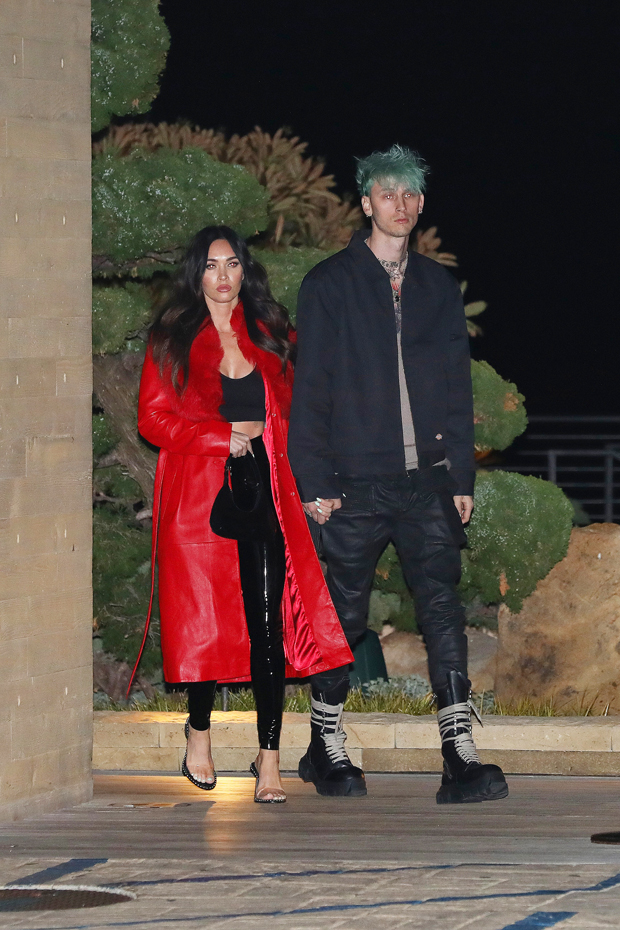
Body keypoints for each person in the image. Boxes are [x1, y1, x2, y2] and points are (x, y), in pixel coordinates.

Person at [288, 145, 508, 804]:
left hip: (427, 479)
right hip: (353, 480)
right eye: (388, 194)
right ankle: (325, 743)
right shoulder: (329, 283)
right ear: (366, 203)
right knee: (345, 614)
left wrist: (461, 475)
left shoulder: (437, 286)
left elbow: (455, 386)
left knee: (442, 610)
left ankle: (459, 755)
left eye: (410, 195)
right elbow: (310, 388)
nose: (401, 205)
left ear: (420, 202)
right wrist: (314, 481)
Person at [133, 225, 353, 803]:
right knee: (205, 619)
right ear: (196, 274)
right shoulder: (171, 338)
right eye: (211, 265)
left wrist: (317, 480)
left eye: (232, 263)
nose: (223, 275)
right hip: (199, 491)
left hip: (266, 488)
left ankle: (269, 759)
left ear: (244, 269)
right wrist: (218, 435)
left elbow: (308, 409)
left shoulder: (271, 332)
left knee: (268, 624)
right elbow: (152, 419)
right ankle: (198, 733)